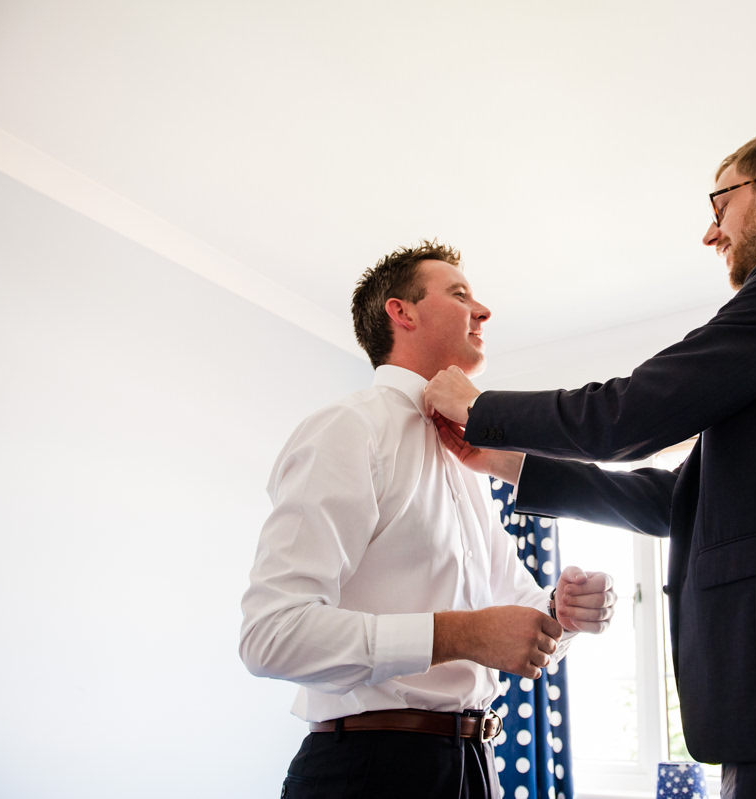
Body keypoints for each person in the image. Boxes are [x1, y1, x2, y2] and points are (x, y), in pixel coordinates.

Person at [423, 128, 756, 798]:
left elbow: (632, 413)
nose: (712, 231)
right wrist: (509, 462)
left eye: (720, 201)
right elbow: (679, 500)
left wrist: (481, 406)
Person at [240, 240, 617, 799]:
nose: (484, 312)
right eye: (461, 294)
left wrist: (563, 612)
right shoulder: (349, 430)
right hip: (368, 773)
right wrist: (463, 634)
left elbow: (519, 613)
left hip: (473, 768)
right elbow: (271, 636)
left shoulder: (466, 459)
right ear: (402, 312)